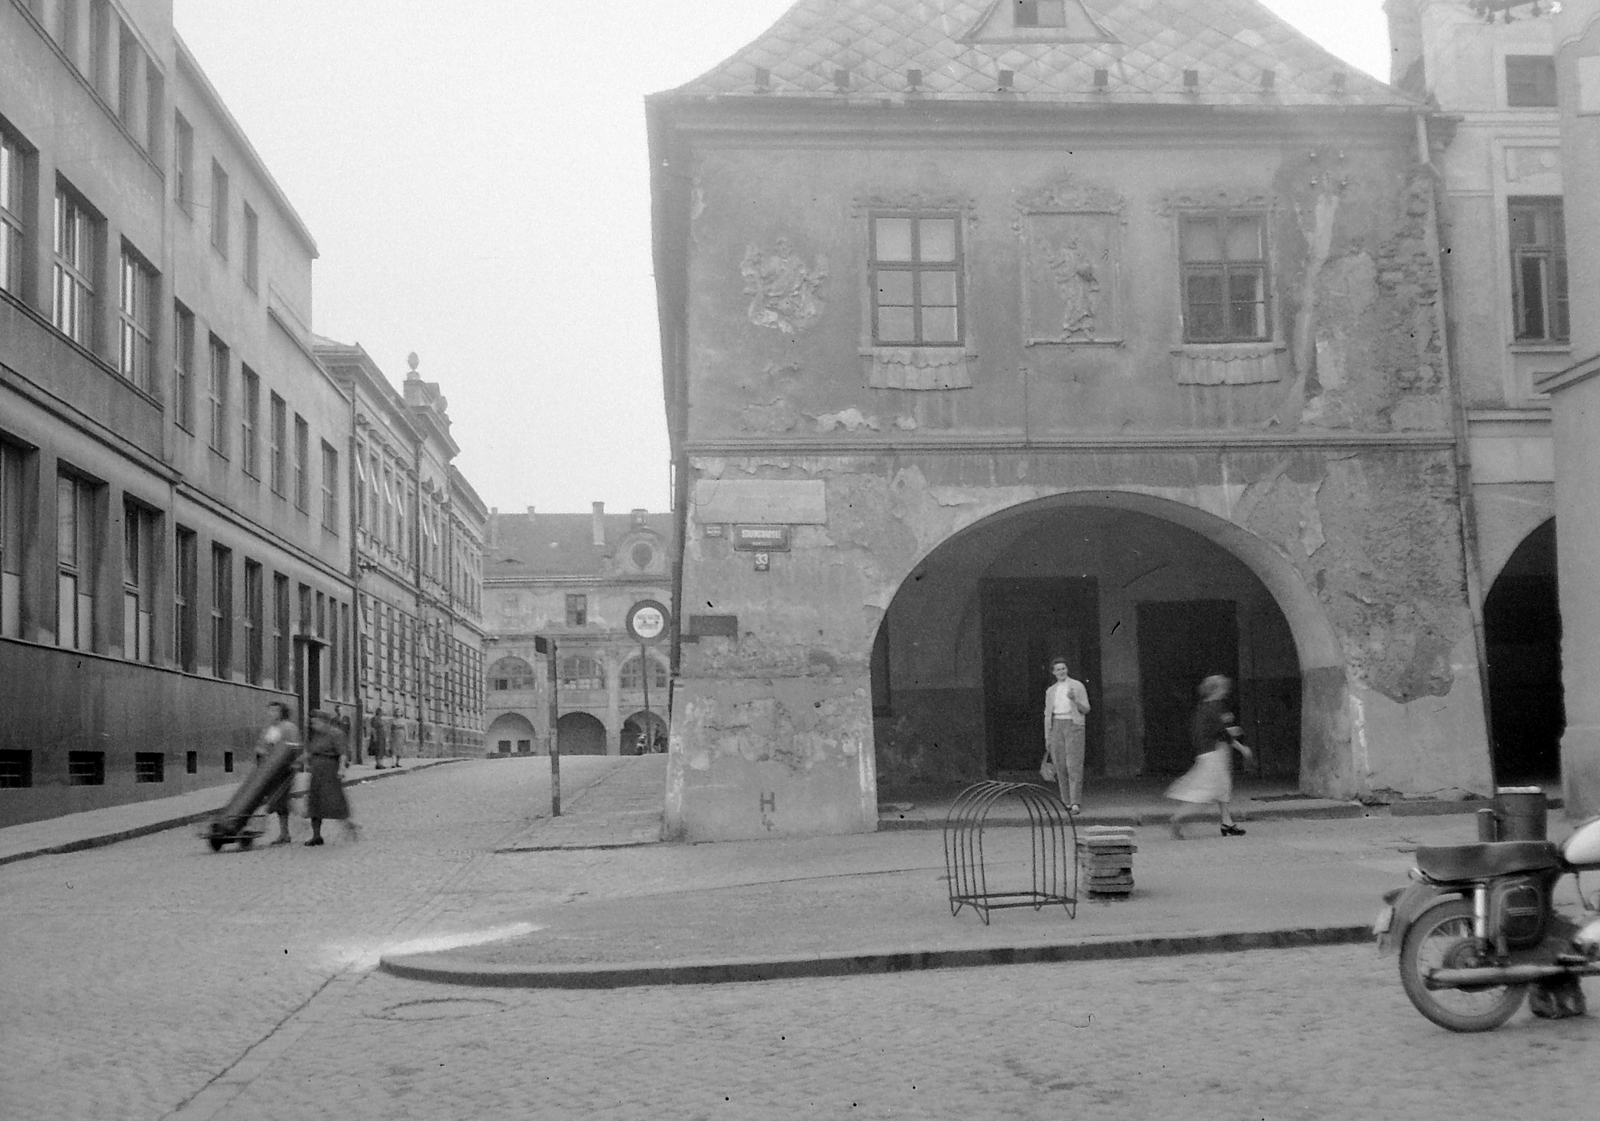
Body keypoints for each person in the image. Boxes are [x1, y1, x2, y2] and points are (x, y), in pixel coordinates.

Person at [1167, 674, 1254, 839]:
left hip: (1209, 753)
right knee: (1206, 792)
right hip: (1214, 754)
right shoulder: (1215, 707)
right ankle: (1177, 818)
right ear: (1217, 689)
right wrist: (1242, 748)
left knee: (1222, 788)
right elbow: (1222, 733)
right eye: (1223, 688)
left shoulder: (1203, 707)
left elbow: (1207, 731)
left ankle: (1227, 822)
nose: (1226, 691)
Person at [303, 710, 359, 846]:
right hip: (316, 773)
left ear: (324, 721)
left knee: (334, 802)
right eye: (312, 723)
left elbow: (343, 754)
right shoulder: (316, 735)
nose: (313, 725)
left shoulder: (336, 734)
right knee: (314, 803)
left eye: (316, 722)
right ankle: (316, 836)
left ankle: (349, 825)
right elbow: (311, 751)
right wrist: (301, 760)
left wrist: (341, 769)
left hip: (330, 772)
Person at [1043, 656, 1091, 813]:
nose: (1061, 671)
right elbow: (1047, 715)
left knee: (1073, 764)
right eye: (1058, 669)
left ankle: (1075, 801)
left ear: (1067, 669)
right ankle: (1066, 801)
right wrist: (1047, 736)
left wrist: (1075, 700)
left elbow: (1086, 708)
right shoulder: (1051, 691)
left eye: (1063, 668)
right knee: (1060, 765)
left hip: (1073, 724)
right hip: (1056, 725)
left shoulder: (1077, 686)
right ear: (1053, 672)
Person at [253, 701, 300, 844]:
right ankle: (285, 831)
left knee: (281, 800)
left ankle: (286, 833)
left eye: (275, 711)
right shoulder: (272, 728)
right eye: (270, 711)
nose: (271, 714)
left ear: (282, 712)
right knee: (277, 800)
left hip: (283, 769)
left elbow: (293, 747)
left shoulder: (288, 727)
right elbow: (264, 746)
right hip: (270, 769)